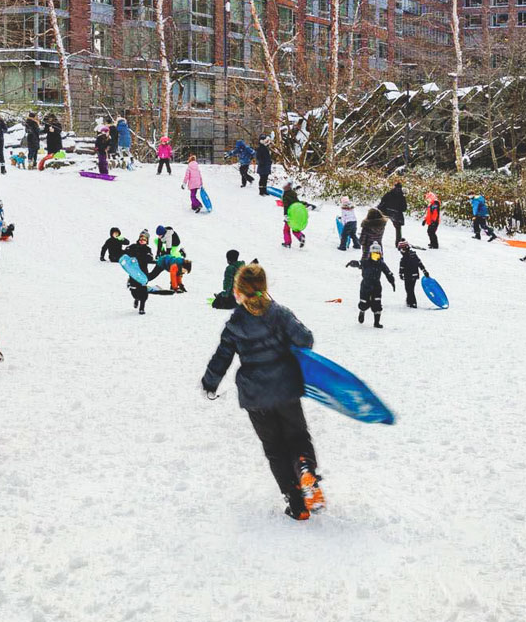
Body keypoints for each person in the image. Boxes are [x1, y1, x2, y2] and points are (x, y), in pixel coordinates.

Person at [201, 261, 324, 520]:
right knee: (297, 437)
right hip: (286, 388)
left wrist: (210, 382)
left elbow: (222, 356)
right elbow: (306, 339)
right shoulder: (280, 313)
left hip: (255, 395)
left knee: (274, 447)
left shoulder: (235, 322)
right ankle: (305, 469)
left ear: (239, 292)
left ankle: (297, 504)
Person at [353, 209, 396, 328]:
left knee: (367, 278)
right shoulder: (382, 226)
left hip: (367, 254)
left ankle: (364, 305)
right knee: (377, 273)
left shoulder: (367, 227)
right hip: (379, 252)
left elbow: (362, 241)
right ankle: (374, 302)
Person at [150, 225, 191, 292]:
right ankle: (164, 253)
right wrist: (158, 254)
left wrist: (165, 256)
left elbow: (168, 249)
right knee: (156, 241)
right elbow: (159, 244)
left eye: (160, 235)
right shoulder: (161, 235)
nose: (159, 236)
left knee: (173, 254)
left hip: (175, 243)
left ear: (163, 233)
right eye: (158, 235)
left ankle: (181, 252)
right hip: (166, 242)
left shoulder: (168, 236)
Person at [125, 230, 155, 314]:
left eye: (144, 239)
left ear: (147, 241)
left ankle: (142, 308)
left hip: (143, 273)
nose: (142, 240)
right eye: (141, 238)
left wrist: (147, 257)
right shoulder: (133, 246)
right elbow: (125, 252)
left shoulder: (148, 249)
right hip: (134, 273)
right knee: (134, 292)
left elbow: (150, 257)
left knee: (143, 291)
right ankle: (136, 299)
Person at [396, 239, 430, 309]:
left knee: (409, 289)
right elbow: (420, 263)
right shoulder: (414, 255)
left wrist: (401, 274)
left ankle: (412, 303)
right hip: (414, 275)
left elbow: (402, 267)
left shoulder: (404, 258)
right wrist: (424, 271)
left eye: (401, 250)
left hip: (408, 276)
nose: (401, 251)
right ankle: (409, 301)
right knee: (410, 289)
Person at [377, 177, 408, 242]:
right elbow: (404, 208)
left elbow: (382, 201)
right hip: (396, 214)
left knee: (381, 226)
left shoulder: (389, 193)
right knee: (398, 228)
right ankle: (398, 243)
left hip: (386, 211)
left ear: (394, 187)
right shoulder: (402, 197)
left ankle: (377, 239)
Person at [280, 181, 306, 248]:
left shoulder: (285, 195)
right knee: (295, 229)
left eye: (285, 186)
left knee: (286, 230)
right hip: (296, 213)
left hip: (290, 214)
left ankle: (287, 243)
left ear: (288, 187)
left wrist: (285, 215)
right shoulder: (293, 193)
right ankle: (301, 237)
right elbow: (297, 202)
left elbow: (286, 206)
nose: (283, 187)